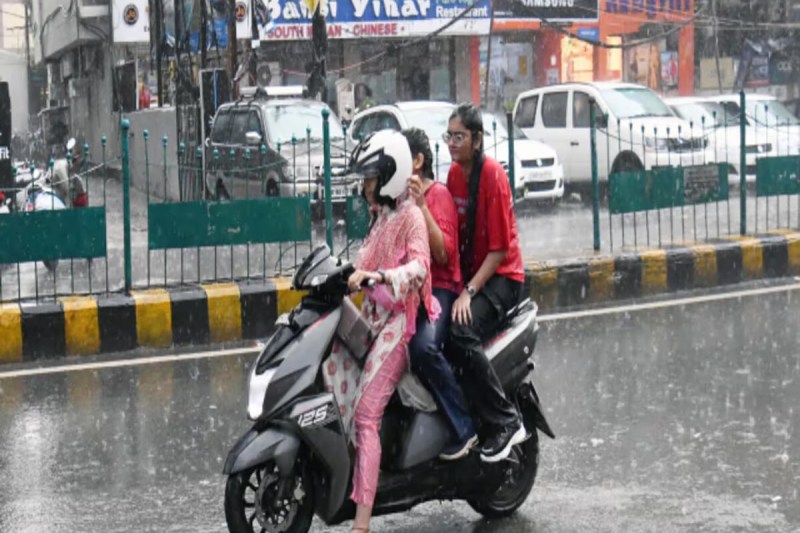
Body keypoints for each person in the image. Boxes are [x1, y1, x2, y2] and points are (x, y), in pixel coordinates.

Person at [323, 130, 438, 533]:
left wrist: (385, 276)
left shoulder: (410, 217)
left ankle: (362, 523)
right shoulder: (383, 216)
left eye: (371, 178)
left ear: (390, 174)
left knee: (365, 415)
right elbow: (361, 262)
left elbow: (420, 267)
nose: (365, 186)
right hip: (374, 317)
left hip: (399, 323)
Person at [444, 103, 527, 463]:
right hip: (473, 275)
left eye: (459, 137)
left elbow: (499, 250)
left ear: (477, 140)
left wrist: (468, 292)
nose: (452, 143)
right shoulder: (453, 176)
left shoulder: (493, 176)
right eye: (449, 136)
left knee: (460, 330)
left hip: (502, 277)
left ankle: (506, 420)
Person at [403, 127, 478, 461]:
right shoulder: (399, 199)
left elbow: (445, 254)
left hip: (441, 289)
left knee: (423, 347)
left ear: (418, 161)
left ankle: (463, 427)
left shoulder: (438, 195)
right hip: (410, 291)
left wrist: (422, 206)